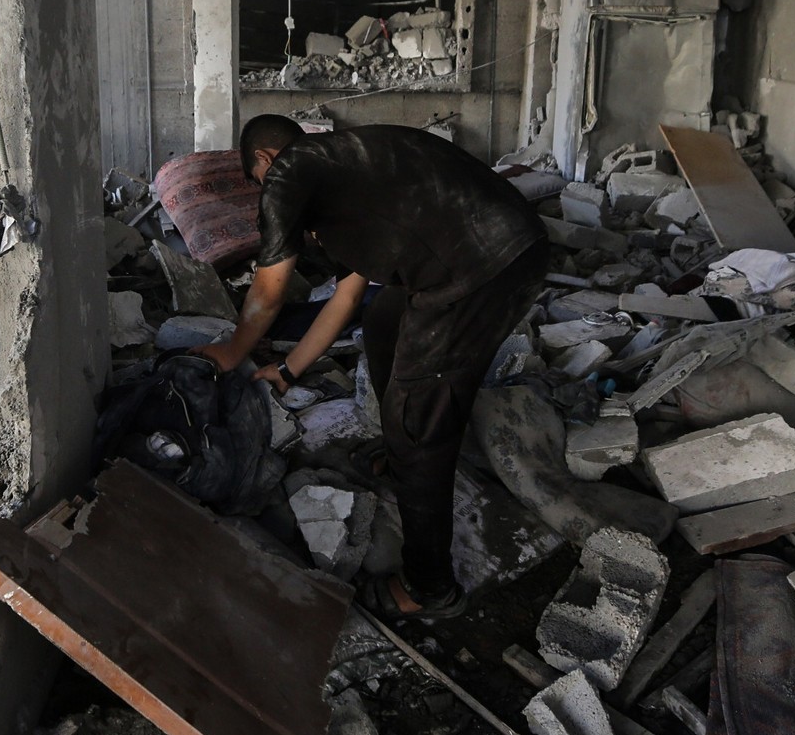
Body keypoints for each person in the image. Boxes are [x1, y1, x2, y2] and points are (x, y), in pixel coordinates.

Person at [196, 114, 548, 620]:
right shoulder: (349, 173)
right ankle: (402, 451)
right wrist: (289, 371)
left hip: (477, 268)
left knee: (418, 418)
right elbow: (347, 298)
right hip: (509, 245)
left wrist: (231, 352)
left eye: (258, 181)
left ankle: (429, 588)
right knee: (385, 318)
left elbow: (270, 291)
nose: (264, 191)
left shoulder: (289, 170)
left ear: (265, 159)